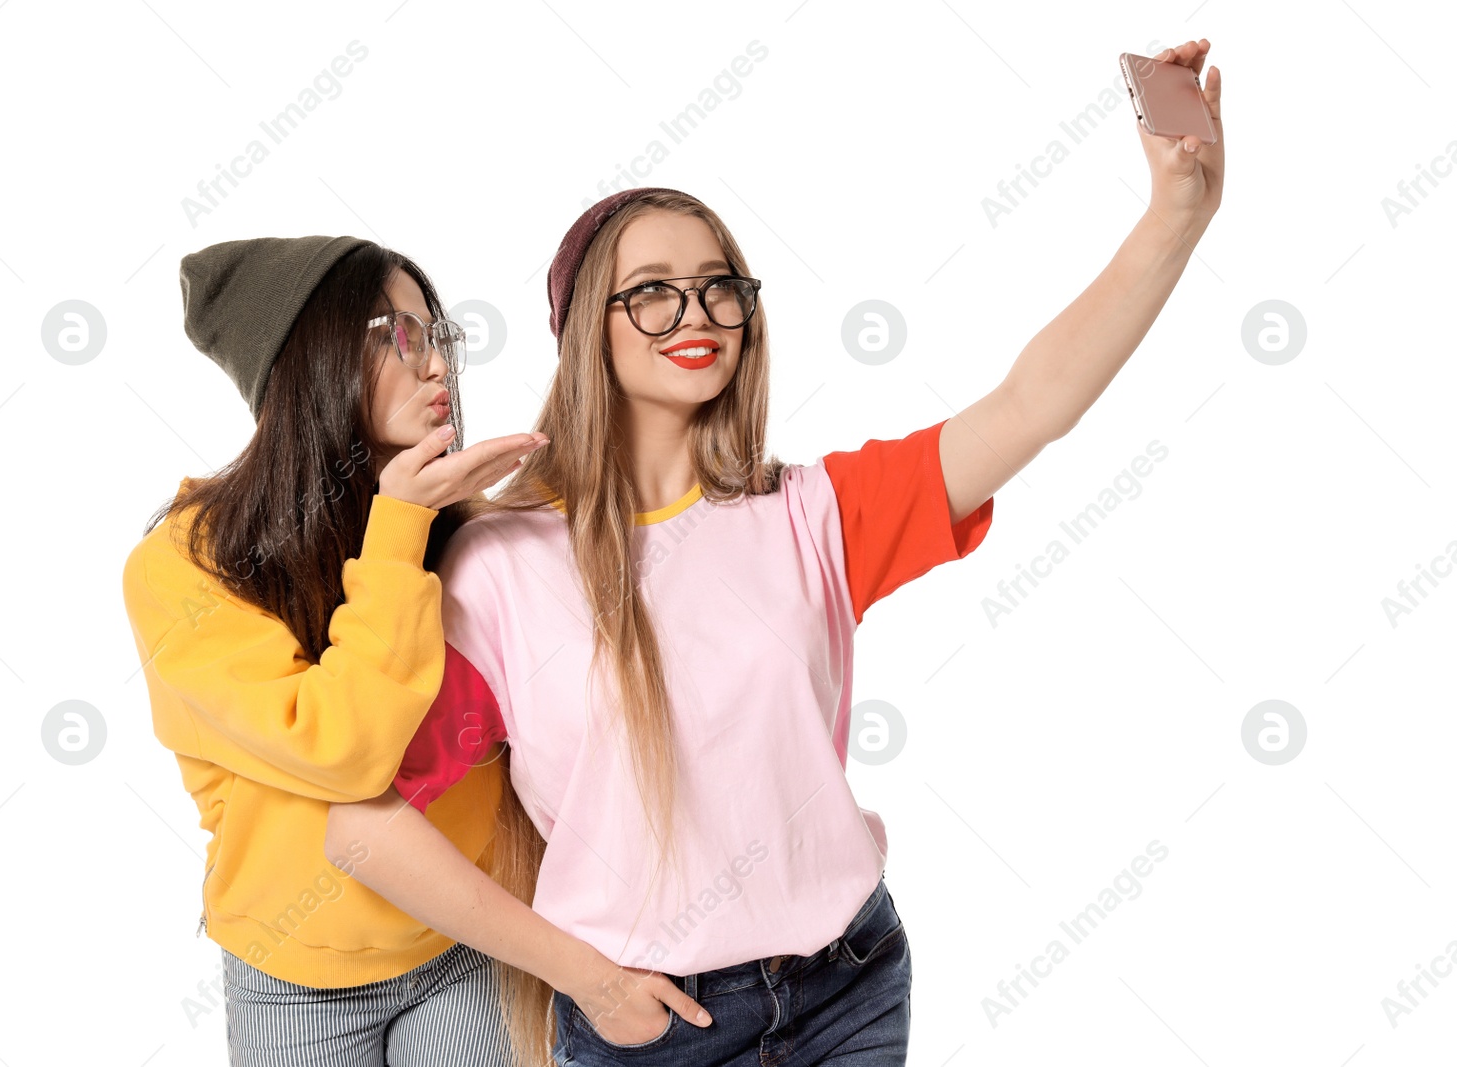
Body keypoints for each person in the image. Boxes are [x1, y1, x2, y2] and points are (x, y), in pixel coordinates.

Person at [328, 39, 1224, 1066]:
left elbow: (1031, 404)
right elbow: (358, 822)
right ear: (586, 332)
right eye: (652, 291)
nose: (696, 314)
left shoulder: (814, 515)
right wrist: (586, 978)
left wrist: (1175, 215)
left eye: (719, 287)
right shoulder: (498, 564)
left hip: (848, 984)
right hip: (648, 1025)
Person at [121, 234, 547, 1066]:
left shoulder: (446, 521)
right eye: (401, 334)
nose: (436, 367)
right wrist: (399, 530)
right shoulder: (181, 564)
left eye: (439, 335)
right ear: (310, 359)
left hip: (462, 939)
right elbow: (342, 749)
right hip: (293, 975)